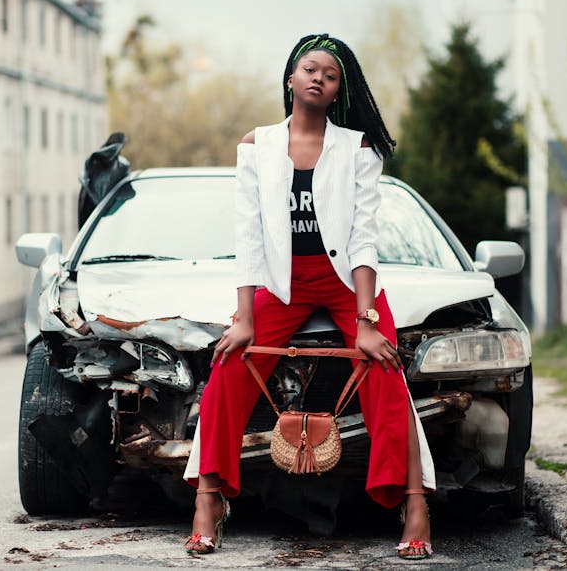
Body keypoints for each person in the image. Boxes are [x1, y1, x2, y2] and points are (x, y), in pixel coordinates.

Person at [182, 34, 435, 560]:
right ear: (291, 80)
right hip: (282, 281)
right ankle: (209, 501)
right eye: (309, 69)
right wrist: (246, 316)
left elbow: (363, 239)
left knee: (386, 371)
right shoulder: (256, 147)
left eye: (331, 74)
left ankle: (413, 504)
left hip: (344, 281)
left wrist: (367, 321)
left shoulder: (358, 149)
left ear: (339, 89)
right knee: (229, 365)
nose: (318, 77)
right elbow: (249, 235)